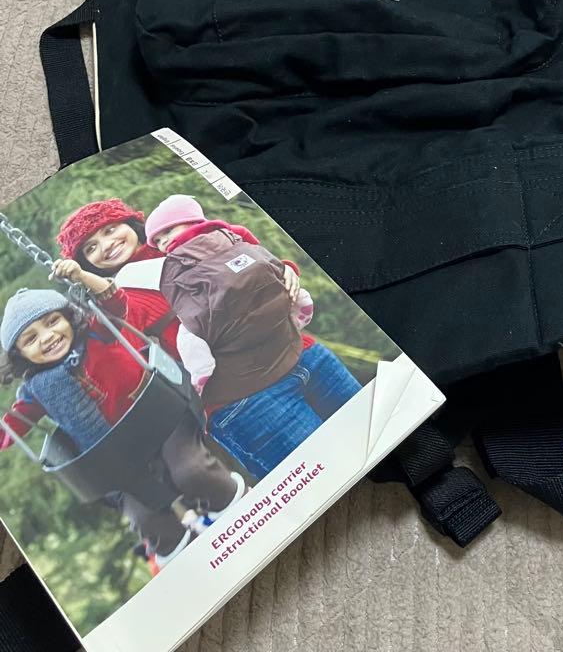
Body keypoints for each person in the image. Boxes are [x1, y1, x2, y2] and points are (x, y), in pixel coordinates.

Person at [0, 287, 245, 569]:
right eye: (31, 339)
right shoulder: (35, 391)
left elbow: (115, 304)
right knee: (146, 520)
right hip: (117, 462)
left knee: (192, 471)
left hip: (161, 419)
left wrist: (82, 278)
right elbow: (8, 432)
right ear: (20, 354)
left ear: (68, 317)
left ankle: (239, 509)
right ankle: (188, 564)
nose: (47, 337)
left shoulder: (96, 332)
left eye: (53, 321)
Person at [144, 195, 362, 479]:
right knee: (333, 477)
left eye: (111, 229)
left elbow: (257, 260)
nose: (164, 243)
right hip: (246, 396)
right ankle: (202, 375)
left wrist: (286, 269)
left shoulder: (225, 236)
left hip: (302, 352)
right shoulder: (140, 282)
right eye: (92, 246)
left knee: (382, 433)